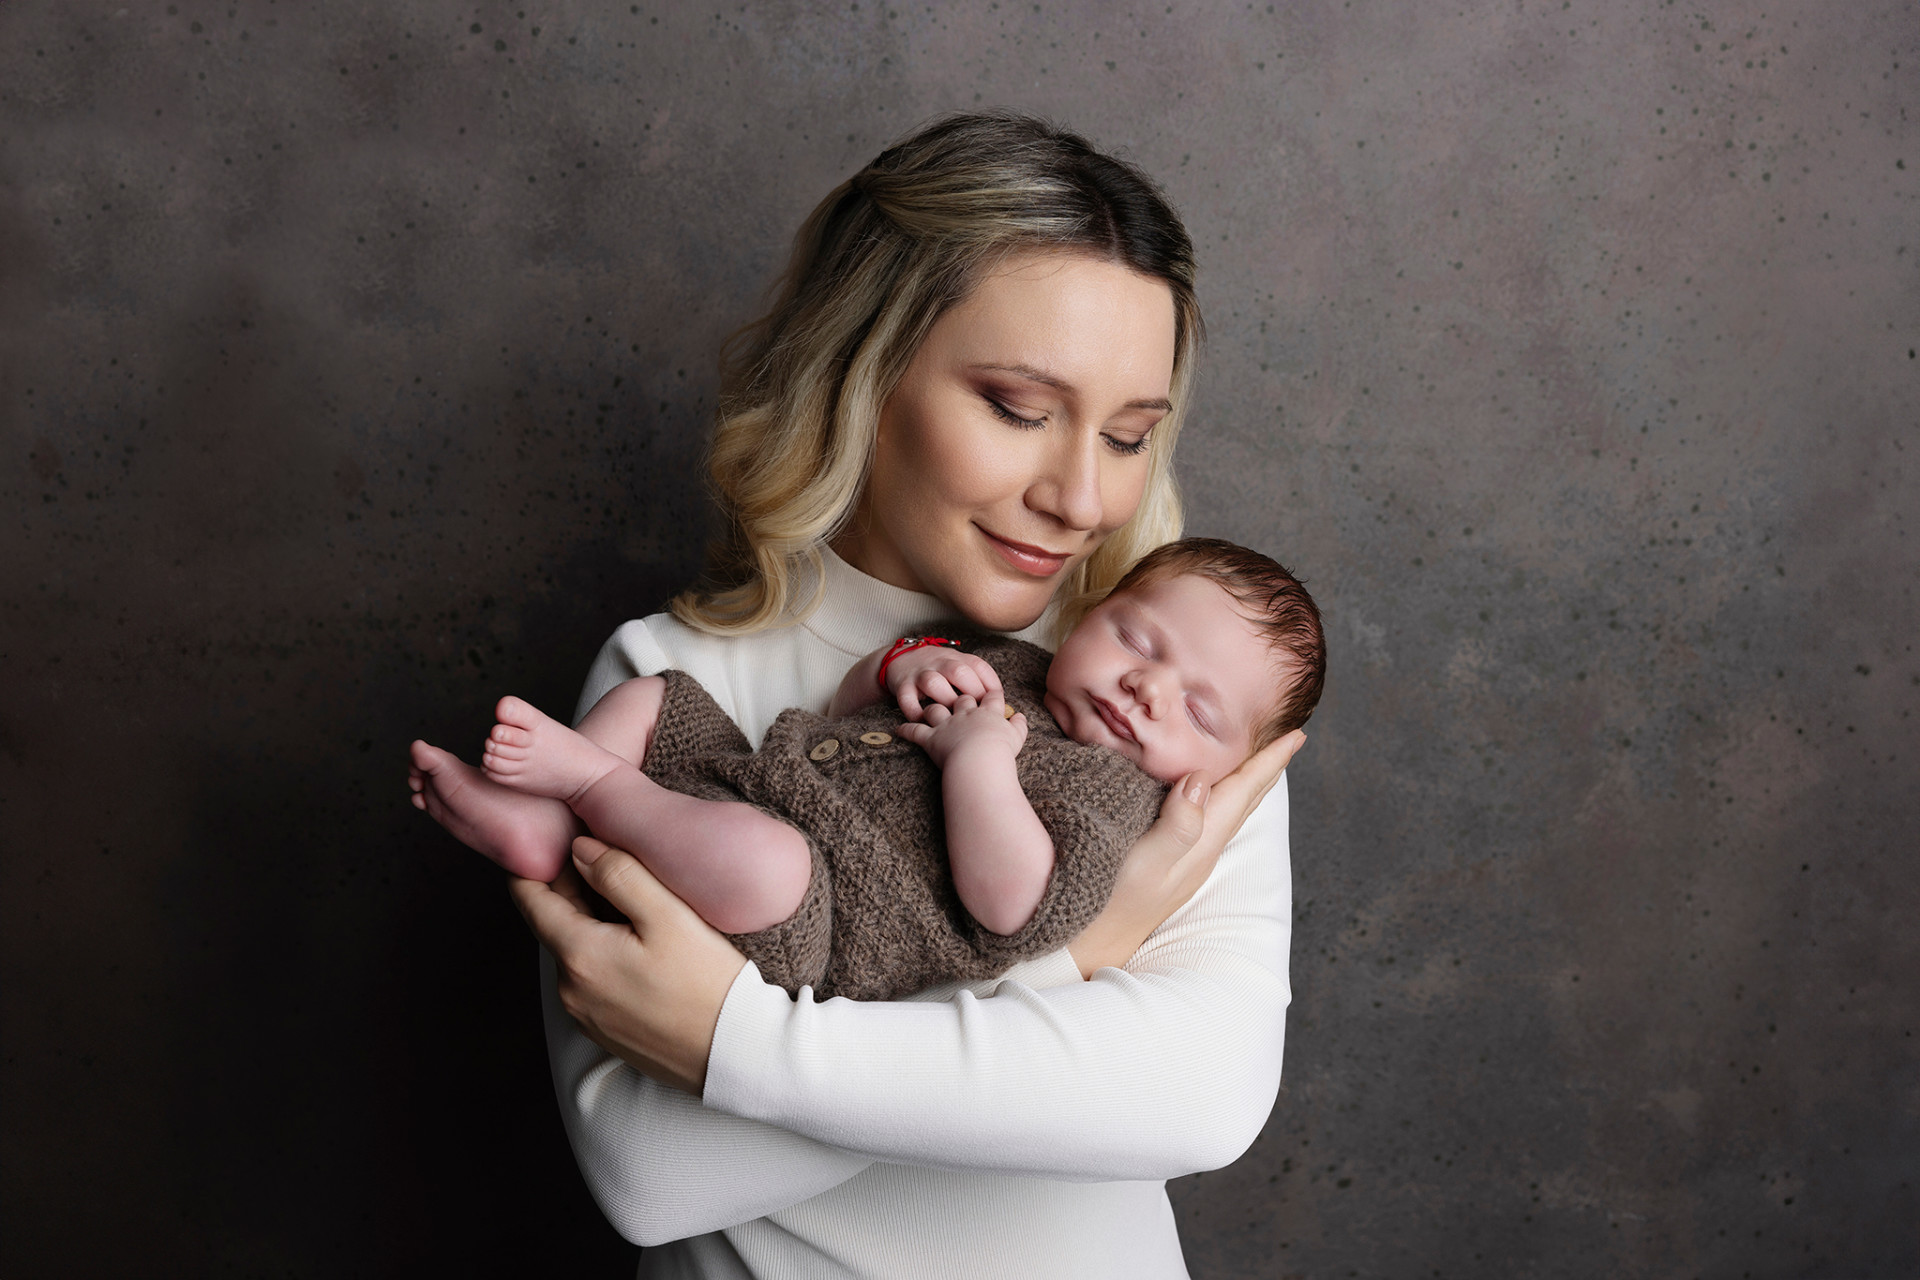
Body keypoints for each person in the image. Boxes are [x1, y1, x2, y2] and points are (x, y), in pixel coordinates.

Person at [504, 112, 1308, 1277]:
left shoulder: (1168, 700)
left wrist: (742, 1044)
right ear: (861, 373)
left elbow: (1201, 1095)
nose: (1083, 497)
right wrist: (1083, 953)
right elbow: (652, 1171)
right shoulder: (669, 683)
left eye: (1132, 435)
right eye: (1021, 411)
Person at [410, 538, 1325, 1001]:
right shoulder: (1014, 666)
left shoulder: (1117, 804)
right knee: (661, 694)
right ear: (1092, 612)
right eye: (1136, 638)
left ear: (1227, 766)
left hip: (821, 914)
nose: (1147, 687)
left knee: (767, 862)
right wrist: (907, 665)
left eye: (1198, 711)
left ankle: (588, 790)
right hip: (748, 780)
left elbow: (1012, 905)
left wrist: (977, 764)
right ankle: (553, 827)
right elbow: (853, 703)